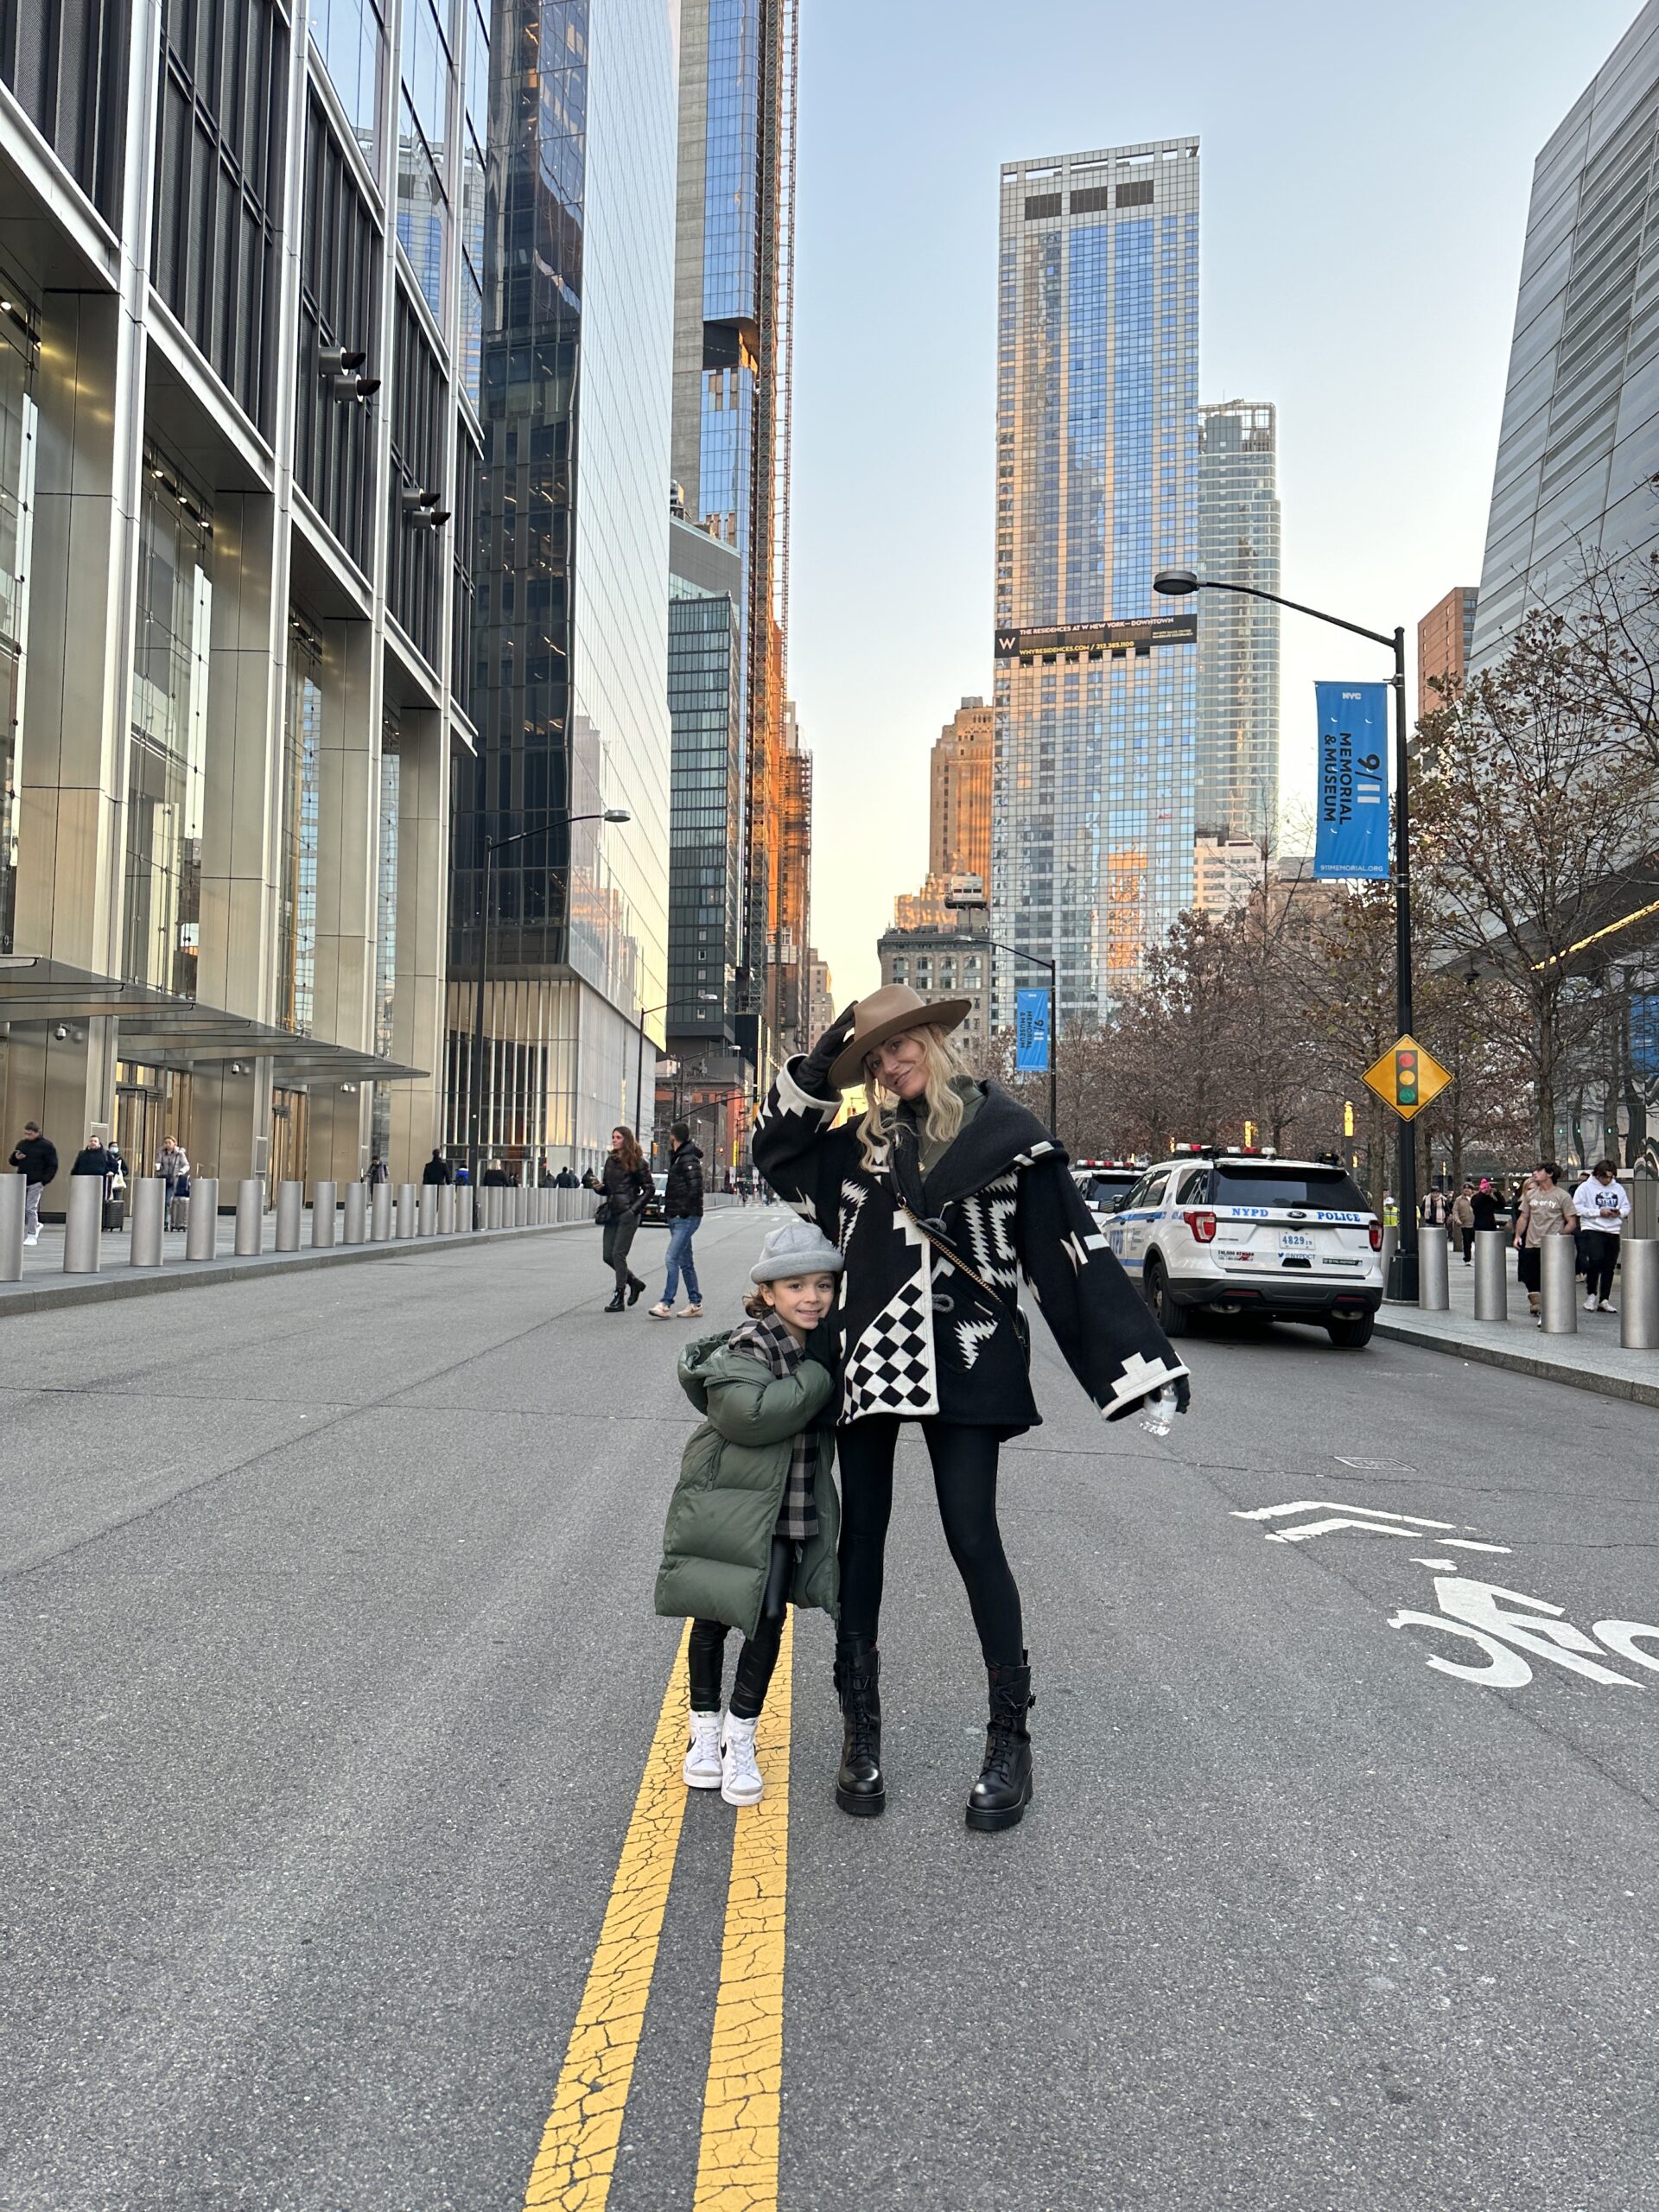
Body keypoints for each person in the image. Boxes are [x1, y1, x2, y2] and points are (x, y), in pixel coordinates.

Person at [753, 987, 1190, 1833]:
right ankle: (861, 1733)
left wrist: (1135, 1363)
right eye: (872, 1055)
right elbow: (773, 1150)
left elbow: (1070, 1257)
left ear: (934, 1039)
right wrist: (820, 1061)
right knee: (862, 1539)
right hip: (871, 1351)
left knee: (971, 1533)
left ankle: (1008, 1742)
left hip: (969, 1354)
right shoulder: (852, 1151)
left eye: (899, 1043)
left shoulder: (1006, 1139)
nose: (888, 1062)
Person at [656, 1221, 842, 1806]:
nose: (811, 1297)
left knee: (767, 1620)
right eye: (795, 1287)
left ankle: (741, 1736)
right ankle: (703, 1734)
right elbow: (750, 1416)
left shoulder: (821, 1343)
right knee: (712, 1616)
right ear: (768, 1293)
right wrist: (816, 1379)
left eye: (822, 1285)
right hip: (734, 1506)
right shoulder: (752, 1344)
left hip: (789, 1507)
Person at [650, 1120, 705, 1319]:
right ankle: (695, 1303)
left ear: (673, 1136)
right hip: (679, 1215)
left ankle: (666, 1303)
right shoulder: (679, 1157)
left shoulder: (687, 1159)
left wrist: (680, 1212)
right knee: (685, 1261)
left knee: (671, 1258)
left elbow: (695, 1189)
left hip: (686, 1217)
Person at [1513, 1162, 1578, 1323]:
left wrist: (1559, 1236)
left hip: (1552, 1246)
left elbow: (1571, 1221)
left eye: (1539, 1171)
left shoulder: (1562, 1196)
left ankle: (1547, 1312)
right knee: (1531, 1278)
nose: (1534, 1173)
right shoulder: (1531, 1194)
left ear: (1549, 1174)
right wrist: (1517, 1235)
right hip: (1531, 1243)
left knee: (1549, 1279)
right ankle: (1541, 1306)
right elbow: (1524, 1217)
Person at [597, 1124, 652, 1311]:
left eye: (618, 1137)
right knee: (607, 1256)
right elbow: (608, 1188)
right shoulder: (610, 1161)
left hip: (628, 1214)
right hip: (612, 1212)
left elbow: (649, 1188)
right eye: (613, 1137)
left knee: (618, 1254)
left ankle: (619, 1295)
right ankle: (634, 1282)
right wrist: (598, 1187)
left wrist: (634, 1210)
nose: (614, 1140)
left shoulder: (638, 1162)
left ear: (626, 1140)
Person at [1572, 1160, 1630, 1313]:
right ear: (1598, 1175)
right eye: (1606, 1177)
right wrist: (1598, 1212)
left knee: (1609, 1266)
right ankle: (1591, 1294)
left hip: (1613, 1230)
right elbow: (1577, 1207)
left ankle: (1604, 1299)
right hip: (1593, 1228)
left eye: (1611, 1177)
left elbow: (1626, 1206)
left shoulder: (1618, 1188)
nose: (1608, 1180)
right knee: (1596, 1260)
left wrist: (1620, 1212)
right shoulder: (1585, 1187)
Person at [10, 1120, 58, 1246]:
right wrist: (16, 1158)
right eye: (26, 1134)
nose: (27, 1136)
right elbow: (13, 1161)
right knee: (20, 1208)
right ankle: (35, 1225)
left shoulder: (46, 1146)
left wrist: (44, 1180)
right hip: (22, 1179)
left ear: (37, 1133)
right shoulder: (22, 1144)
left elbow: (52, 1164)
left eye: (30, 1134)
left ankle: (31, 1235)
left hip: (37, 1181)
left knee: (30, 1208)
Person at [1451, 1182, 1476, 1262]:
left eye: (1468, 1189)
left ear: (1472, 1190)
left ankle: (1479, 1258)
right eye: (1465, 1189)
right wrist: (1457, 1220)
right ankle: (1467, 1259)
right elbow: (1455, 1210)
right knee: (1467, 1243)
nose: (1466, 1190)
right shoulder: (1459, 1199)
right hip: (1465, 1224)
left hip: (1476, 1224)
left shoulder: (1476, 1198)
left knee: (1479, 1242)